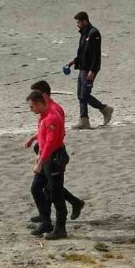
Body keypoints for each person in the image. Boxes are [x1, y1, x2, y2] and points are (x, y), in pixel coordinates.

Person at [25, 80, 85, 223]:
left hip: (53, 153)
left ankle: (70, 207)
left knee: (52, 187)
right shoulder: (44, 110)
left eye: (36, 95)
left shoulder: (54, 110)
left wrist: (40, 159)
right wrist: (33, 139)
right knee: (46, 186)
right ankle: (46, 214)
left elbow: (55, 136)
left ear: (43, 96)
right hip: (44, 150)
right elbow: (42, 131)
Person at [27, 90, 69, 239]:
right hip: (45, 157)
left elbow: (50, 143)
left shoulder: (51, 117)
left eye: (32, 106)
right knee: (36, 188)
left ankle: (61, 229)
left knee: (56, 194)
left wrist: (40, 162)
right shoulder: (43, 116)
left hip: (54, 159)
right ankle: (46, 222)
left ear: (39, 103)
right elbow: (43, 136)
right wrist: (34, 143)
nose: (30, 109)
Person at [68, 11, 114, 129]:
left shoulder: (94, 33)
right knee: (80, 95)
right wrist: (74, 61)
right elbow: (83, 52)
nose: (77, 25)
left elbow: (96, 55)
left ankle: (105, 109)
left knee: (85, 95)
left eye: (78, 22)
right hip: (82, 68)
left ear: (84, 21)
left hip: (90, 70)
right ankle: (84, 120)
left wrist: (92, 71)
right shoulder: (84, 33)